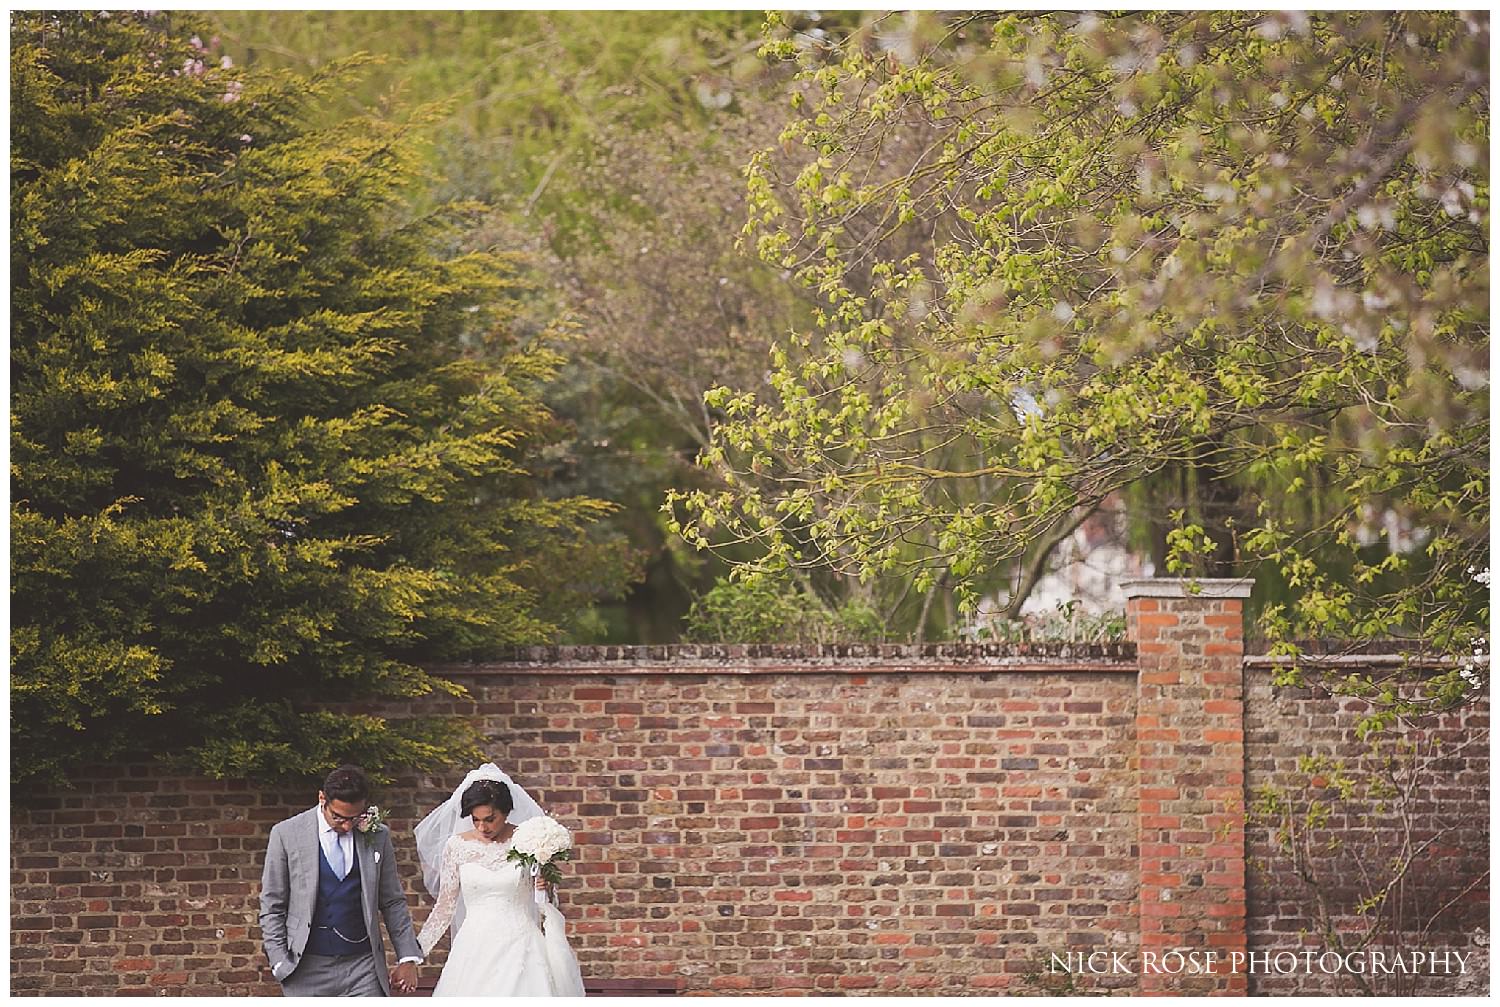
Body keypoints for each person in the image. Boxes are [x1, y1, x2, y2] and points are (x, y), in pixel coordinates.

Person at [414, 766, 585, 996]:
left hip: (521, 946)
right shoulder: (456, 846)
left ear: (506, 813)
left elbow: (545, 902)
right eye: (475, 820)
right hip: (474, 948)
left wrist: (545, 887)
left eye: (489, 819)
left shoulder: (528, 841)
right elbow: (445, 907)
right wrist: (415, 954)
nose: (482, 827)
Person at [259, 764, 423, 996]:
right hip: (305, 968)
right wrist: (278, 961)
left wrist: (407, 957)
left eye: (354, 819)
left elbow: (392, 901)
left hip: (363, 967)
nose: (346, 826)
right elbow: (272, 904)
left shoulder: (378, 835)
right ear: (321, 798)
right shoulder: (286, 834)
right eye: (338, 817)